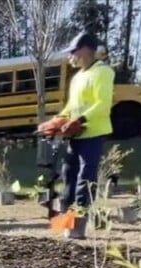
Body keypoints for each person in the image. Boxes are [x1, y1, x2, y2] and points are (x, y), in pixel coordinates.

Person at [42, 32, 114, 213]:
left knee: (86, 174)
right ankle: (66, 209)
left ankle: (81, 213)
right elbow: (71, 107)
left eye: (73, 52)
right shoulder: (76, 77)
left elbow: (102, 103)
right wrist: (56, 121)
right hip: (75, 133)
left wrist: (80, 119)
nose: (70, 57)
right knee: (68, 171)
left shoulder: (103, 72)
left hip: (94, 132)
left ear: (86, 50)